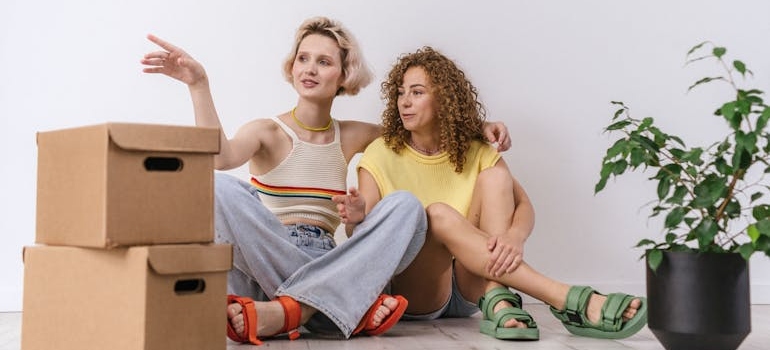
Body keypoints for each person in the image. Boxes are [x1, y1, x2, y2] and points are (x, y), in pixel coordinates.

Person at [140, 17, 510, 344]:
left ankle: (290, 312)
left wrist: (479, 127)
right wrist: (199, 84)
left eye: (323, 61)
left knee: (407, 207)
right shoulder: (266, 131)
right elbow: (220, 158)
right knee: (215, 187)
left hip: (328, 256)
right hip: (266, 255)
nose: (309, 69)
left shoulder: (351, 135)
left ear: (344, 75)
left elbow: (418, 129)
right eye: (303, 58)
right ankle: (337, 307)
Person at [334, 46, 648, 341]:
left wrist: (514, 237)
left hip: (476, 286)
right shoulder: (380, 153)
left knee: (497, 179)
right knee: (437, 213)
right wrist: (356, 218)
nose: (404, 101)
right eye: (401, 93)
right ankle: (565, 297)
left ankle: (498, 298)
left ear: (444, 99)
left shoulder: (478, 149)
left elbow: (523, 204)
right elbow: (367, 240)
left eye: (417, 93)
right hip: (419, 291)